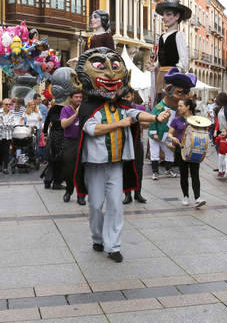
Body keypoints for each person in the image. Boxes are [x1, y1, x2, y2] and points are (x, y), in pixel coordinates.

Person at [72, 48, 171, 262]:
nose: (109, 74)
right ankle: (98, 237)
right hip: (95, 164)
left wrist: (157, 118)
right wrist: (119, 124)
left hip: (116, 164)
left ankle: (113, 245)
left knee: (116, 205)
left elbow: (137, 114)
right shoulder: (89, 107)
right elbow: (91, 129)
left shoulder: (124, 106)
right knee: (96, 205)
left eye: (115, 67)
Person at [147, 0, 191, 93]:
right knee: (159, 102)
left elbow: (184, 61)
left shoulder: (179, 35)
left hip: (172, 77)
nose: (164, 17)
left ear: (177, 16)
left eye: (168, 14)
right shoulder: (162, 36)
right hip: (160, 76)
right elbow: (160, 60)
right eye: (163, 15)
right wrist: (154, 66)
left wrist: (175, 73)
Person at [169, 98, 205, 207]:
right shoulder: (176, 120)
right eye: (178, 106)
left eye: (181, 106)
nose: (178, 108)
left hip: (194, 149)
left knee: (195, 173)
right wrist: (173, 138)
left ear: (188, 107)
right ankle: (185, 196)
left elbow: (202, 132)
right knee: (183, 174)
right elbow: (169, 133)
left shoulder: (196, 119)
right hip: (181, 148)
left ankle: (197, 198)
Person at [123, 89, 148, 204]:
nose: (125, 99)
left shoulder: (140, 108)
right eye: (123, 97)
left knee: (138, 169)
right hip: (123, 143)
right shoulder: (118, 109)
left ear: (132, 95)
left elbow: (147, 124)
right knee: (126, 168)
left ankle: (138, 193)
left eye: (127, 97)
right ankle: (127, 195)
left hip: (137, 142)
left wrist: (137, 120)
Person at [61, 90, 86, 204]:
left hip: (82, 141)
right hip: (69, 142)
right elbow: (63, 124)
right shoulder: (66, 109)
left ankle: (81, 195)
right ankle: (69, 190)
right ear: (71, 98)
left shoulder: (85, 109)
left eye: (80, 97)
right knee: (69, 169)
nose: (79, 99)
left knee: (82, 169)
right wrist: (75, 115)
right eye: (76, 97)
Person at [0, 98, 20, 174]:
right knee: (0, 151)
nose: (8, 105)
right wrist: (8, 123)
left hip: (8, 136)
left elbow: (13, 124)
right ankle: (0, 165)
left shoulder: (12, 113)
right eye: (6, 104)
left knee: (6, 151)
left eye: (10, 104)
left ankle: (5, 167)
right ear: (3, 105)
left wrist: (4, 123)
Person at [214, 92, 227, 178]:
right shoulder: (220, 108)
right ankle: (221, 168)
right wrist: (216, 130)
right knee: (219, 150)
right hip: (220, 132)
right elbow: (218, 120)